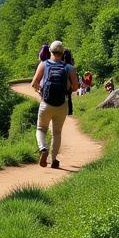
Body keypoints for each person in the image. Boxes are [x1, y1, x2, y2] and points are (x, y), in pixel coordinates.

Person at [32, 40, 79, 169]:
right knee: (57, 133)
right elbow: (75, 87)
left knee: (41, 129)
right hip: (62, 104)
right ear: (63, 53)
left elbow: (34, 83)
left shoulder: (43, 64)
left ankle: (43, 148)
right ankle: (54, 160)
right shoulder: (68, 67)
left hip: (46, 104)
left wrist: (40, 92)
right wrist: (68, 90)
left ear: (50, 52)